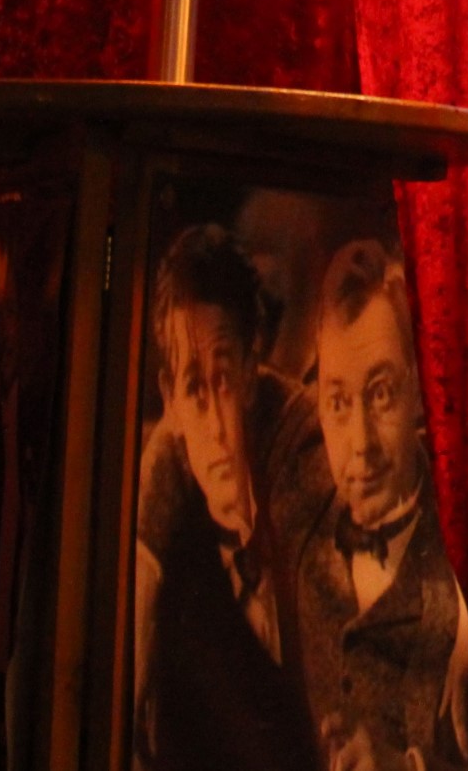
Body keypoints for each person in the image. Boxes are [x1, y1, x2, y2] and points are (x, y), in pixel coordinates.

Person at [133, 225, 320, 771]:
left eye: (224, 379)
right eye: (195, 388)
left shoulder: (306, 457)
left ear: (250, 369)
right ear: (171, 398)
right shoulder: (166, 514)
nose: (216, 425)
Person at [282, 241, 468, 771]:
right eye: (339, 402)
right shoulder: (299, 480)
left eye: (382, 393)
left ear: (419, 390)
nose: (361, 442)